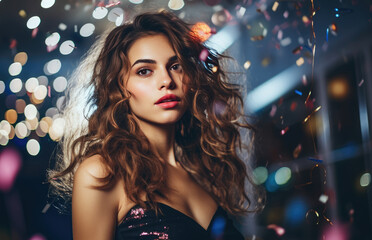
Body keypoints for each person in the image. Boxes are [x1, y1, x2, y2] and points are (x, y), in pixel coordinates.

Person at [48, 10, 261, 240]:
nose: (166, 81)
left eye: (176, 66)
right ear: (119, 88)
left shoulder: (205, 171)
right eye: (144, 71)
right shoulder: (102, 173)